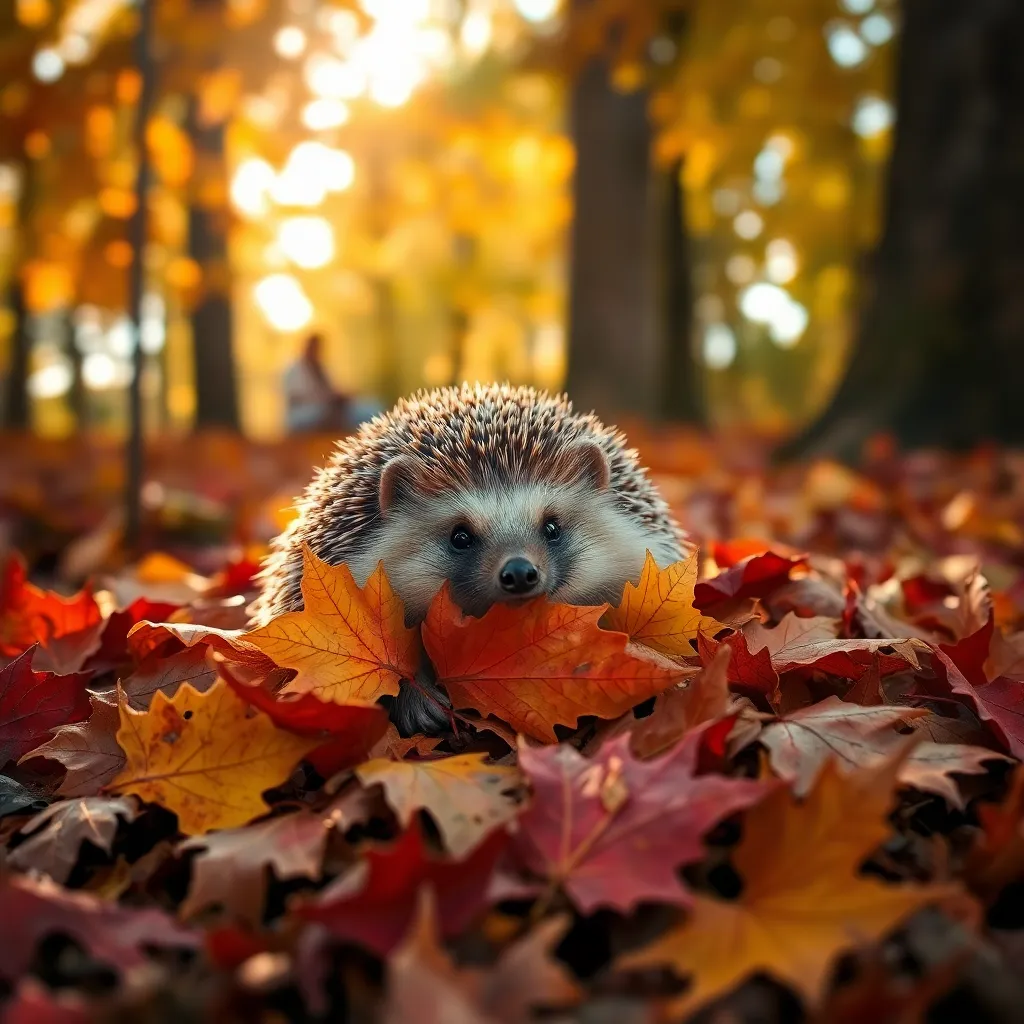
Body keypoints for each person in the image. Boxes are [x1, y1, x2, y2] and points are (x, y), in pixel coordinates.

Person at [284, 333, 351, 434]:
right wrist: (323, 398)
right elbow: (294, 396)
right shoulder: (293, 369)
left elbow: (333, 389)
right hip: (304, 412)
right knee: (325, 413)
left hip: (326, 408)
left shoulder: (323, 368)